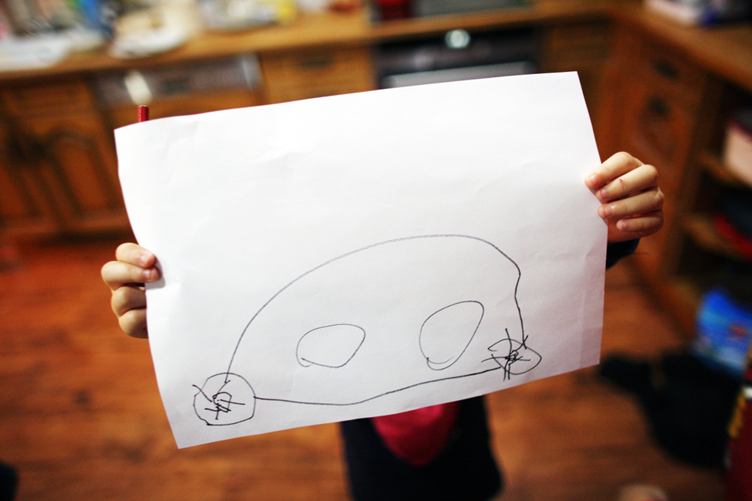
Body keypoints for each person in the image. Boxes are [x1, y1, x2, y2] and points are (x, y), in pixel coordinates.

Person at [101, 151, 664, 500]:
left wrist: (611, 225)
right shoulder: (311, 305)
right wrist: (177, 316)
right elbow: (245, 324)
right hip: (373, 451)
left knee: (469, 483)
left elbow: (542, 264)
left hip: (463, 432)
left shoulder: (467, 285)